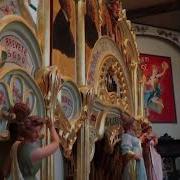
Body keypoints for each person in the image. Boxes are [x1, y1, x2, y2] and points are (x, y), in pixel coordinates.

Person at [2, 102, 60, 180]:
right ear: (27, 132)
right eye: (35, 132)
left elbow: (5, 171)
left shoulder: (15, 145)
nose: (38, 134)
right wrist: (51, 127)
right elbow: (56, 143)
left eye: (39, 131)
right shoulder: (34, 153)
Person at [121, 115, 147, 180]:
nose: (136, 124)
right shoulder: (126, 136)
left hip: (139, 161)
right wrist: (135, 155)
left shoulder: (133, 136)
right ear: (130, 125)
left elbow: (137, 144)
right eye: (135, 123)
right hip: (133, 163)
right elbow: (125, 151)